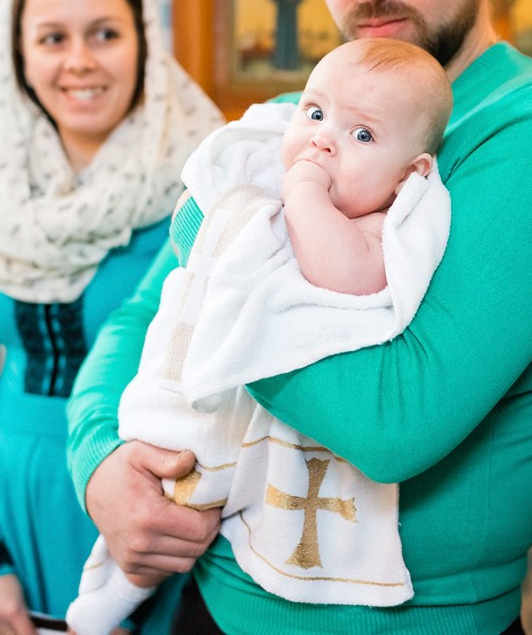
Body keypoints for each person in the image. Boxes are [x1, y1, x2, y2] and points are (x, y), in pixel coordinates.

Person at [66, 0, 532, 633]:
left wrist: (209, 236)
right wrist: (98, 465)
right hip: (210, 596)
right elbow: (139, 316)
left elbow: (392, 424)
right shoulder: (306, 114)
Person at [66, 38, 453, 635]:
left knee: (199, 495)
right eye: (316, 113)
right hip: (207, 400)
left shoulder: (382, 228)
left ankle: (113, 598)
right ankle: (109, 592)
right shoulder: (270, 178)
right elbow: (175, 273)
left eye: (363, 136)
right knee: (170, 487)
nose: (324, 140)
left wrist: (301, 195)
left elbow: (344, 276)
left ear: (411, 174)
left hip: (269, 428)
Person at [0, 0, 223, 635]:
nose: (79, 61)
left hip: (151, 517)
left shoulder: (206, 187)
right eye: (52, 39)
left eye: (106, 35)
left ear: (145, 45)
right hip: (0, 521)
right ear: (19, 58)